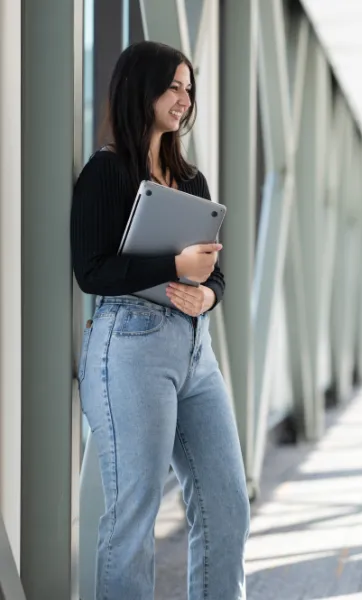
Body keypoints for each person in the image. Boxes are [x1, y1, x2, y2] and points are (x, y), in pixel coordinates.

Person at [70, 41, 249, 599]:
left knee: (227, 506)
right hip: (129, 345)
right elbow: (92, 271)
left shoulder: (192, 181)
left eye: (188, 88)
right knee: (134, 515)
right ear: (140, 89)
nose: (184, 99)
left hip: (196, 350)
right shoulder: (105, 172)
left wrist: (207, 296)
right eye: (174, 87)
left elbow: (216, 271)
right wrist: (175, 267)